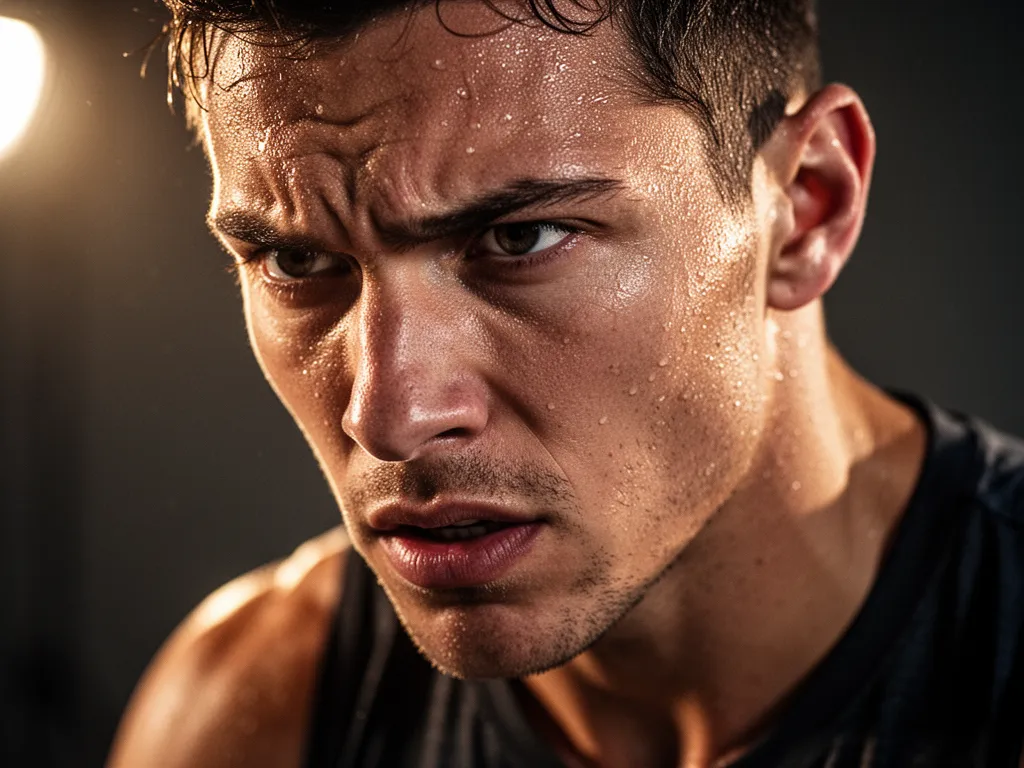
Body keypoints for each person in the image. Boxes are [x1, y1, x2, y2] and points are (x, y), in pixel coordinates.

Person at [106, 1, 1024, 766]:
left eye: (521, 239)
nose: (389, 414)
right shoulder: (253, 714)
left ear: (805, 206)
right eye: (296, 258)